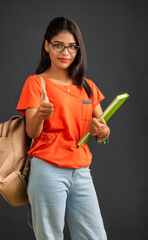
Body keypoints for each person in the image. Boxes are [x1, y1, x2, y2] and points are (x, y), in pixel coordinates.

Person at [17, 17, 110, 240]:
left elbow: (104, 132)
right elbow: (31, 132)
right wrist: (40, 114)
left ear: (78, 49)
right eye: (58, 45)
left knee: (95, 236)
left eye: (71, 46)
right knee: (50, 236)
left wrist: (101, 133)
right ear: (47, 45)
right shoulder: (36, 83)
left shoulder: (87, 86)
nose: (65, 52)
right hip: (47, 169)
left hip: (81, 171)